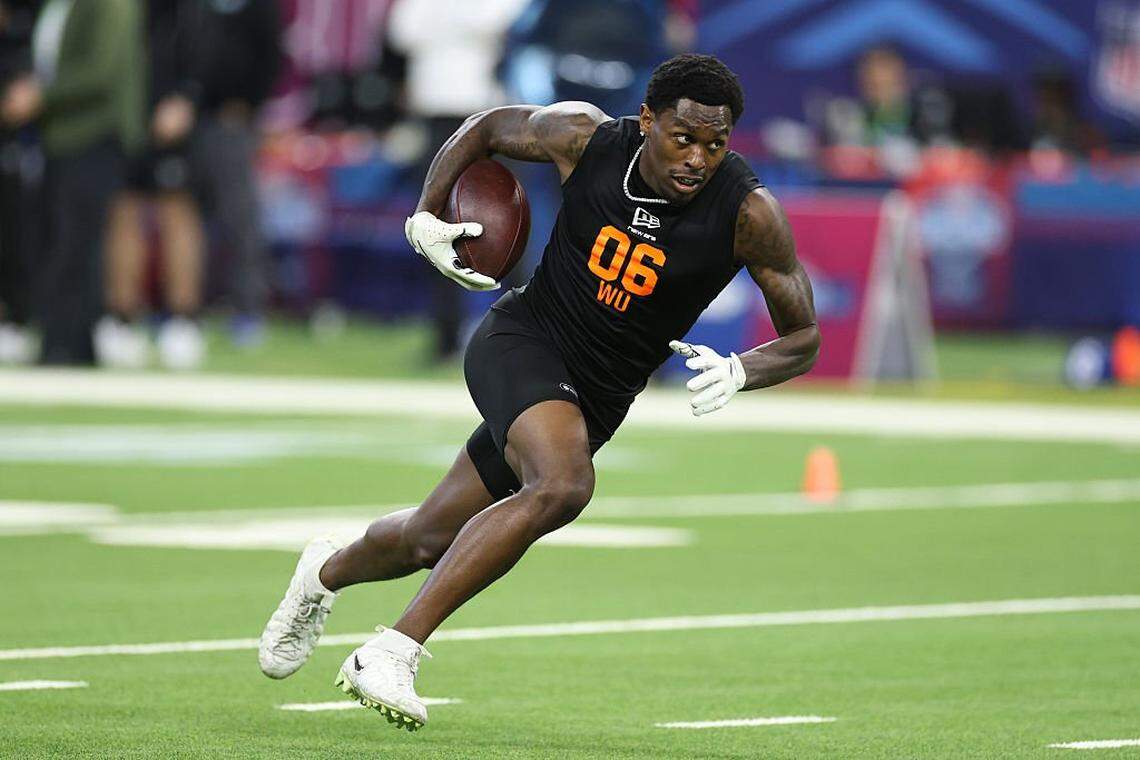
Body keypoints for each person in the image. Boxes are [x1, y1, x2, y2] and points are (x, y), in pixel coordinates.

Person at [258, 54, 819, 731]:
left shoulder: (749, 212)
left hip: (597, 398)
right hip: (523, 341)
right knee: (562, 485)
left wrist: (742, 370)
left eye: (715, 143)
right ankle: (391, 650)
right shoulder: (586, 137)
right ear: (647, 122)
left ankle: (324, 573)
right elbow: (487, 126)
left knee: (427, 538)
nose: (698, 157)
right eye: (683, 137)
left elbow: (803, 335)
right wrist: (427, 215)